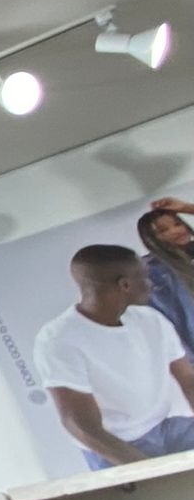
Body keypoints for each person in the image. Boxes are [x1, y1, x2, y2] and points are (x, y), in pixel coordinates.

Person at [33, 244, 194, 470]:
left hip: (164, 429)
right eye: (145, 277)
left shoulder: (151, 320)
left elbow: (188, 380)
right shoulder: (58, 339)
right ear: (125, 285)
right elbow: (80, 425)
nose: (151, 284)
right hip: (115, 446)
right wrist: (148, 471)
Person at [138, 198, 194, 358]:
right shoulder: (153, 273)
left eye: (178, 224)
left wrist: (186, 207)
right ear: (151, 239)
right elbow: (169, 322)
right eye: (164, 230)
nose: (177, 231)